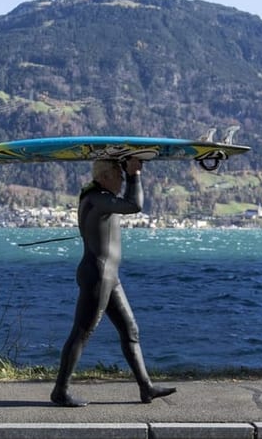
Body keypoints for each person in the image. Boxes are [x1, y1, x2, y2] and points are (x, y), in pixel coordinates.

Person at [51, 157, 177, 407]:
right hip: (97, 276)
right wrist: (134, 175)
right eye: (118, 175)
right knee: (81, 334)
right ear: (105, 176)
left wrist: (130, 171)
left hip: (109, 277)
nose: (120, 180)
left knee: (131, 331)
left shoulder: (99, 196)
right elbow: (135, 205)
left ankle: (146, 387)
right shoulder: (97, 197)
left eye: (122, 176)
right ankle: (60, 391)